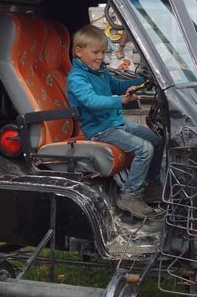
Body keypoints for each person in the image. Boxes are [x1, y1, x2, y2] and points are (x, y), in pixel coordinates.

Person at [67, 24, 162, 218]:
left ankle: (149, 185)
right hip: (100, 129)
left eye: (103, 52)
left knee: (156, 140)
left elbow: (118, 84)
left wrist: (139, 82)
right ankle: (130, 195)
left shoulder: (100, 72)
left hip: (115, 122)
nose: (101, 57)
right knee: (144, 149)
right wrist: (121, 100)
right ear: (78, 52)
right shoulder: (77, 78)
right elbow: (91, 102)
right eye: (96, 52)